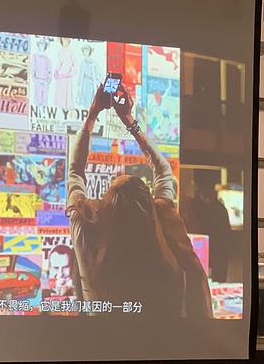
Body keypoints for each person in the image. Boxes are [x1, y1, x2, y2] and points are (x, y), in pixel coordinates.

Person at [66, 85, 212, 319]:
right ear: (150, 209)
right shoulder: (165, 236)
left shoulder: (86, 236)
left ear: (107, 206)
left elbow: (75, 171)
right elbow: (163, 170)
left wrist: (92, 115)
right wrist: (129, 120)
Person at [54, 37, 76, 109]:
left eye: (66, 40)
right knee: (61, 90)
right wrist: (56, 71)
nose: (65, 41)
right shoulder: (60, 52)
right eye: (63, 40)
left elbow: (74, 65)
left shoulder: (71, 52)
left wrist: (70, 74)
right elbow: (59, 62)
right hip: (61, 74)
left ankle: (67, 106)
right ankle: (61, 106)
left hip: (67, 75)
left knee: (67, 91)